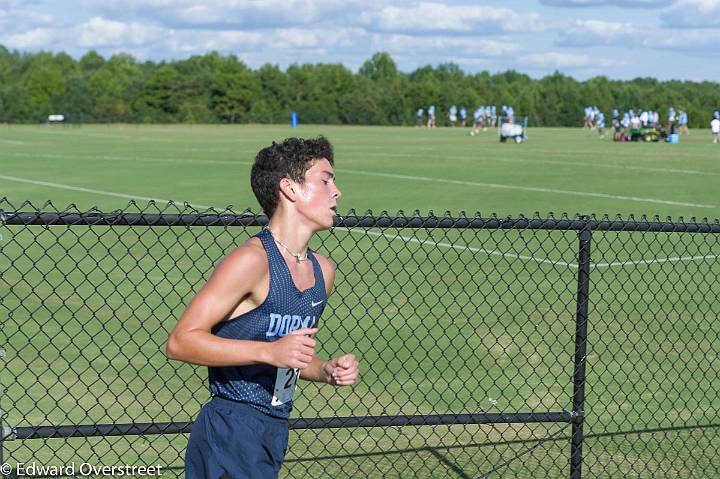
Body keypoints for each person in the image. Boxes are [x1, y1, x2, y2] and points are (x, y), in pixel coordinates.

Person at [167, 136, 360, 479]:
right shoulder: (252, 261)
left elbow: (288, 357)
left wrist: (323, 370)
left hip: (273, 431)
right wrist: (269, 352)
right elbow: (181, 341)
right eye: (325, 180)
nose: (337, 191)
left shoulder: (323, 272)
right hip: (230, 430)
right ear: (290, 188)